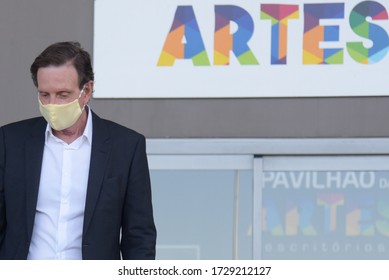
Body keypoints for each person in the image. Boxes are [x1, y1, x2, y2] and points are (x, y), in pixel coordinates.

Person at [0, 41, 156, 260]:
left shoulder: (126, 147)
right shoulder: (9, 141)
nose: (52, 104)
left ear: (87, 90)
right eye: (45, 94)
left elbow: (139, 237)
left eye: (63, 94)